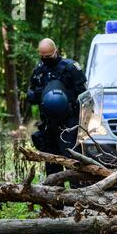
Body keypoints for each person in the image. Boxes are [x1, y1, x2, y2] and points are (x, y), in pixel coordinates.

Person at [27, 38, 87, 177]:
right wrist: (31, 96)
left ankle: (77, 194)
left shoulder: (71, 68)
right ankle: (54, 194)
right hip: (48, 125)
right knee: (51, 163)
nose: (45, 59)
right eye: (42, 56)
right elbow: (34, 93)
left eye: (48, 56)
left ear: (56, 51)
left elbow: (85, 96)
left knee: (73, 161)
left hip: (69, 124)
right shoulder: (39, 71)